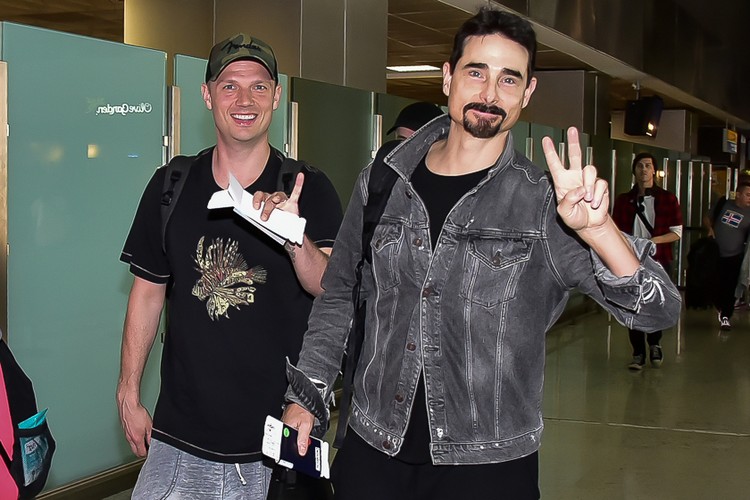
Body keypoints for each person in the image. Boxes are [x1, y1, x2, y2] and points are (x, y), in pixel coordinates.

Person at [282, 7, 681, 500]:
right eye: (476, 72)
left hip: (488, 466)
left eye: (509, 79)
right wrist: (309, 394)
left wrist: (600, 232)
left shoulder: (546, 205)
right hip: (373, 448)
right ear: (448, 77)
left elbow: (659, 310)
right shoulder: (384, 181)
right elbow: (340, 293)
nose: (490, 94)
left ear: (527, 93)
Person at [117, 33, 342, 499]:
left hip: (277, 437)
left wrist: (294, 236)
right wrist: (128, 390)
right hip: (179, 437)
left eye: (259, 86)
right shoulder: (171, 185)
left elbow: (330, 288)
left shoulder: (308, 187)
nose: (244, 100)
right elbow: (147, 292)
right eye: (229, 86)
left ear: (276, 97)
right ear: (207, 95)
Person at [612, 152, 682, 369]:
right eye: (640, 166)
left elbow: (677, 232)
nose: (644, 170)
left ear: (654, 171)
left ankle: (655, 343)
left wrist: (652, 242)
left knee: (655, 302)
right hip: (630, 260)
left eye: (648, 166)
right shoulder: (624, 200)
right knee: (632, 304)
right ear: (634, 170)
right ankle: (638, 352)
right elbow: (615, 231)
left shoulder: (668, 199)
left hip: (658, 259)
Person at [704, 183, 750, 331]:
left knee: (730, 287)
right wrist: (710, 228)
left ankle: (726, 316)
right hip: (715, 254)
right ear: (738, 194)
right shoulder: (724, 204)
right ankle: (719, 307)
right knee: (715, 285)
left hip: (735, 256)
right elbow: (707, 217)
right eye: (748, 195)